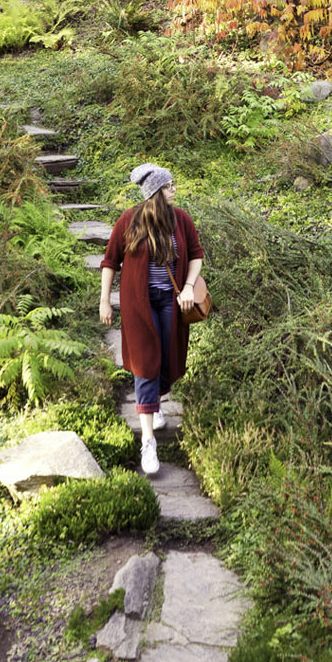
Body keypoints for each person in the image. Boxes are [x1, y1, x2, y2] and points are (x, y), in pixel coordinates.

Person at [99, 163, 204, 476]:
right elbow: (109, 261)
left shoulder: (180, 220)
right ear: (156, 192)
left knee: (168, 358)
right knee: (145, 363)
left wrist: (187, 288)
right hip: (139, 304)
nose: (174, 190)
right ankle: (148, 440)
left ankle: (156, 403)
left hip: (171, 301)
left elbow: (196, 255)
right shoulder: (129, 221)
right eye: (169, 186)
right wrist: (105, 300)